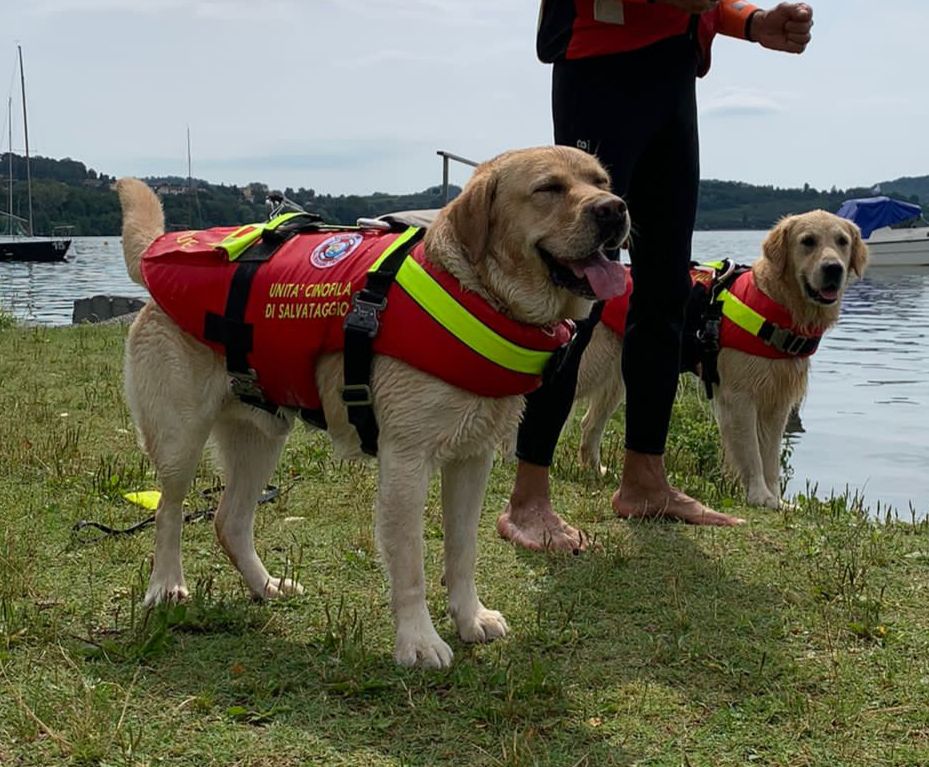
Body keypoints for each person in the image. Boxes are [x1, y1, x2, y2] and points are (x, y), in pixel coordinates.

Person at [497, 0, 815, 550]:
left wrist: (751, 22)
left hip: (673, 71)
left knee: (666, 287)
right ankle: (528, 500)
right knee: (577, 288)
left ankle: (644, 481)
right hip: (601, 65)